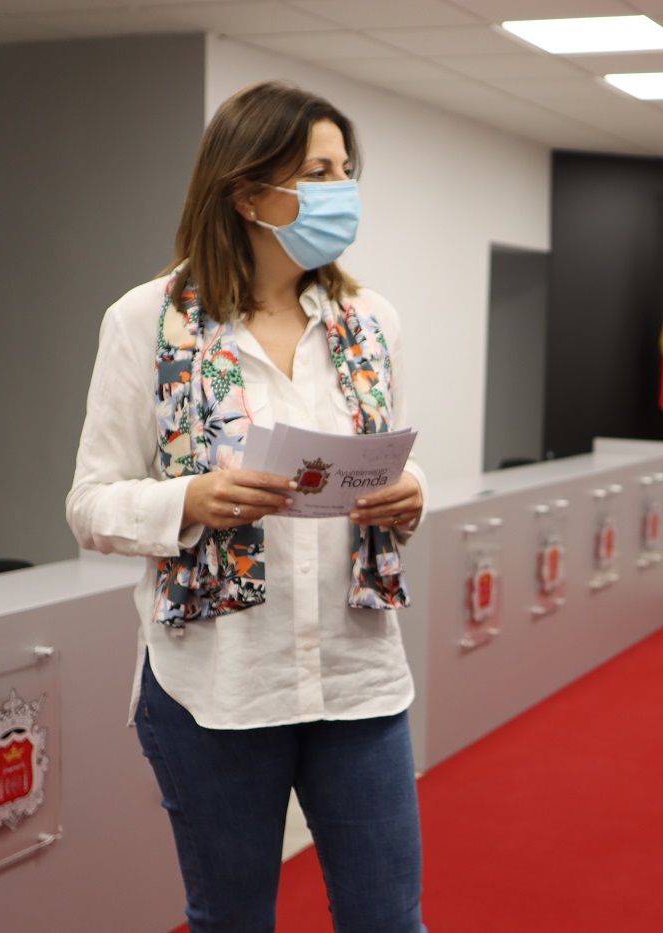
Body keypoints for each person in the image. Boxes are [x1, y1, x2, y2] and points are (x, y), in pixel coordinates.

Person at [66, 81, 428, 933]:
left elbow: (397, 457)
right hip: (217, 687)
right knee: (231, 919)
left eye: (347, 169)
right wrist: (191, 498)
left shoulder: (370, 321)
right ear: (247, 193)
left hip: (357, 678)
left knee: (389, 918)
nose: (343, 190)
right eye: (318, 173)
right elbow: (89, 503)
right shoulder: (147, 320)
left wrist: (413, 493)